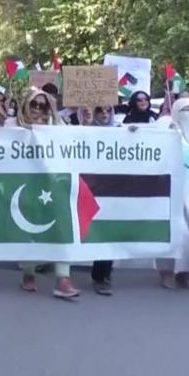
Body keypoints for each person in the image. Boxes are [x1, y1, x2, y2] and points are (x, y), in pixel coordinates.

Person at [3, 88, 79, 299]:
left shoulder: (55, 126)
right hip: (24, 184)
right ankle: (28, 272)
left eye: (42, 105)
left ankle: (63, 279)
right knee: (28, 230)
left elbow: (73, 138)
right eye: (34, 104)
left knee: (64, 228)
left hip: (53, 185)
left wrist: (53, 112)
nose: (38, 109)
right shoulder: (12, 125)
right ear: (26, 104)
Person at [157, 97, 189, 289]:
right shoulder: (167, 132)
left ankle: (185, 272)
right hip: (171, 190)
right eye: (186, 110)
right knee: (172, 231)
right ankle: (165, 271)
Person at [86, 105, 118, 295]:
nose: (104, 114)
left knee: (109, 229)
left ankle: (102, 274)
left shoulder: (120, 131)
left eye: (108, 111)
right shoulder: (84, 129)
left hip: (112, 187)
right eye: (100, 111)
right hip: (89, 186)